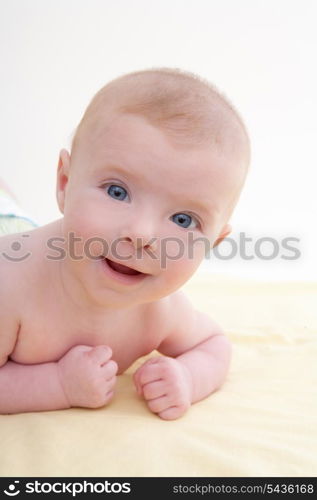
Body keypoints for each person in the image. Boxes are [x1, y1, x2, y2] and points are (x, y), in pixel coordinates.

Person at [0, 68, 250, 419]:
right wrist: (57, 384)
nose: (142, 234)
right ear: (65, 182)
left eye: (183, 220)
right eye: (118, 192)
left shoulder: (161, 311)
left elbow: (212, 345)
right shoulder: (11, 289)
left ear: (212, 243)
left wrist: (188, 377)